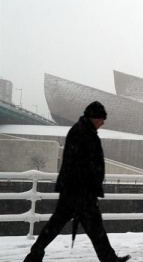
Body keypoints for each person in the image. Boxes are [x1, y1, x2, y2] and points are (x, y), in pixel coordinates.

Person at [24, 101, 131, 262]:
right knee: (92, 227)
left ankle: (36, 253)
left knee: (60, 224)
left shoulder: (82, 131)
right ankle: (108, 259)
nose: (103, 123)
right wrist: (88, 184)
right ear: (94, 117)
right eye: (102, 119)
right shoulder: (82, 132)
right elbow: (81, 163)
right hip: (80, 191)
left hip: (76, 190)